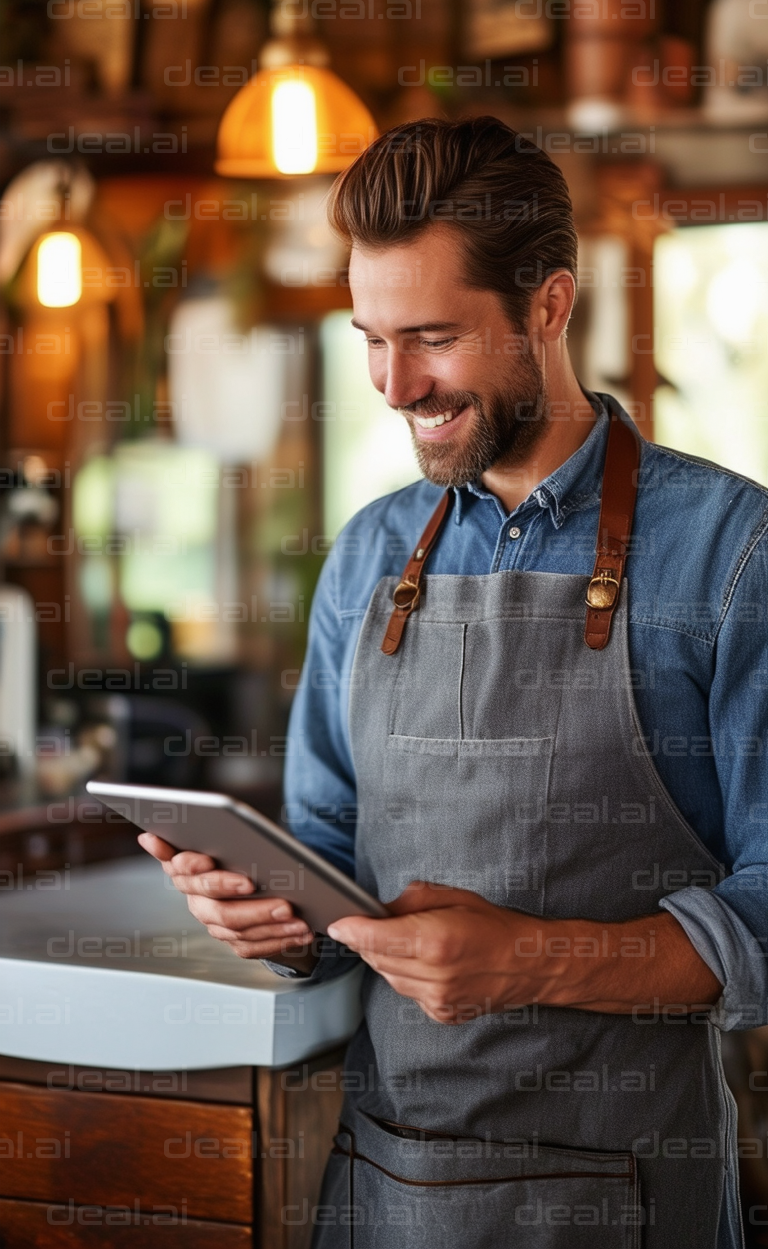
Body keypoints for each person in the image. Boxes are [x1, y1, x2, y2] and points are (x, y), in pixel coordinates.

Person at [141, 117, 768, 1248]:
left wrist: (527, 958)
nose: (392, 384)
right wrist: (273, 914)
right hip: (388, 1188)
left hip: (624, 1194)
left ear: (549, 306)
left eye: (432, 336)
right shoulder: (369, 556)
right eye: (370, 339)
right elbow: (332, 861)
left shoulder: (732, 552)